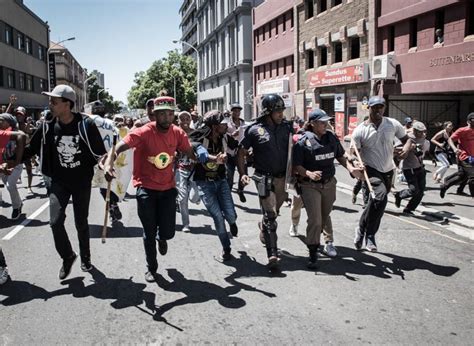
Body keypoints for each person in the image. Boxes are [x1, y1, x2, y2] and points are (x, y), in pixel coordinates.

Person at [103, 96, 203, 283]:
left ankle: (162, 237)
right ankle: (151, 267)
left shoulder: (177, 133)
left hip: (168, 189)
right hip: (145, 188)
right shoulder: (143, 132)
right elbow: (117, 148)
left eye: (170, 113)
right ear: (154, 115)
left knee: (168, 232)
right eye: (162, 114)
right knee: (148, 231)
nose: (167, 117)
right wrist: (109, 164)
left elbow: (190, 152)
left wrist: (204, 158)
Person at [25, 85, 107, 280]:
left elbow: (100, 153)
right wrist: (10, 160)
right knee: (55, 222)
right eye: (50, 101)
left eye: (54, 101)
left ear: (67, 104)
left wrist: (106, 166)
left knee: (81, 222)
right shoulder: (46, 125)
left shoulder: (85, 124)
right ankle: (68, 256)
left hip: (81, 181)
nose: (50, 104)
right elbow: (31, 148)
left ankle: (86, 258)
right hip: (58, 181)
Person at [293, 109, 362, 268]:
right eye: (322, 122)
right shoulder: (303, 142)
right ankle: (313, 252)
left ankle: (317, 240)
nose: (326, 124)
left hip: (329, 184)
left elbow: (340, 155)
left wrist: (351, 169)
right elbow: (296, 166)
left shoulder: (331, 137)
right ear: (312, 124)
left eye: (327, 121)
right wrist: (308, 173)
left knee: (323, 217)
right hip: (310, 185)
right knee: (316, 220)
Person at [238, 94, 293, 268]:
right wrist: (242, 173)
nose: (281, 114)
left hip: (283, 178)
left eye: (282, 110)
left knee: (274, 212)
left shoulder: (288, 127)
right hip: (263, 177)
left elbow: (296, 148)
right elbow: (241, 152)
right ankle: (272, 254)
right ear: (267, 112)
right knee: (271, 215)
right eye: (277, 111)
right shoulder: (254, 130)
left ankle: (264, 226)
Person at [350, 96, 411, 252]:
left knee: (378, 203)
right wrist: (356, 161)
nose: (378, 110)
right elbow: (352, 152)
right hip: (371, 170)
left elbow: (407, 140)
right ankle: (370, 236)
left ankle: (361, 228)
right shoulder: (360, 130)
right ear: (368, 108)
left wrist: (405, 150)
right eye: (374, 107)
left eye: (381, 107)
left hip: (389, 170)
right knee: (380, 196)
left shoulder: (392, 124)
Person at [189, 110, 239, 260]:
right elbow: (188, 142)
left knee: (230, 213)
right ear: (214, 126)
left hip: (221, 180)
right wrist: (198, 147)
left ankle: (232, 222)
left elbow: (238, 146)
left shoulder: (224, 137)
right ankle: (226, 247)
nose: (226, 126)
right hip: (204, 184)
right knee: (217, 216)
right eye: (223, 124)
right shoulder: (201, 136)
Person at [394, 121, 431, 215]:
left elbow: (425, 150)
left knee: (421, 191)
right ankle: (399, 195)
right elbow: (396, 150)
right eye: (419, 131)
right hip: (409, 168)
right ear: (414, 130)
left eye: (423, 131)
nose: (422, 134)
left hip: (420, 167)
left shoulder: (423, 137)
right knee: (413, 190)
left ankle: (409, 208)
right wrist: (408, 148)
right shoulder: (407, 137)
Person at [176, 111, 200, 232]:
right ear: (178, 121)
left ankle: (197, 197)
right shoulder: (174, 133)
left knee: (194, 198)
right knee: (182, 198)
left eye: (187, 118)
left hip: (194, 169)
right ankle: (186, 224)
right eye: (182, 118)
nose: (185, 121)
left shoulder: (196, 133)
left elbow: (201, 147)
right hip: (179, 169)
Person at [440, 113, 474, 198]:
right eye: (472, 121)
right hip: (465, 157)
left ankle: (445, 185)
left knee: (462, 176)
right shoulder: (462, 130)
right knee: (473, 177)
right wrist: (455, 149)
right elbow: (450, 139)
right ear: (468, 121)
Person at [0, 113, 25, 220]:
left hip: (16, 164)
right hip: (3, 164)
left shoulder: (18, 134)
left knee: (10, 185)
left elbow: (22, 136)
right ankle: (19, 203)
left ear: (8, 122)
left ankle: (16, 208)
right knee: (8, 185)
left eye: (1, 120)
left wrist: (12, 165)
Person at [225, 103, 247, 203]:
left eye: (238, 111)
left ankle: (240, 190)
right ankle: (228, 197)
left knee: (244, 173)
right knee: (229, 175)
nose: (237, 113)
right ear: (231, 112)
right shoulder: (227, 123)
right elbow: (223, 134)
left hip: (241, 152)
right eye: (235, 111)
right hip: (230, 152)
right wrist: (231, 134)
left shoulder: (243, 123)